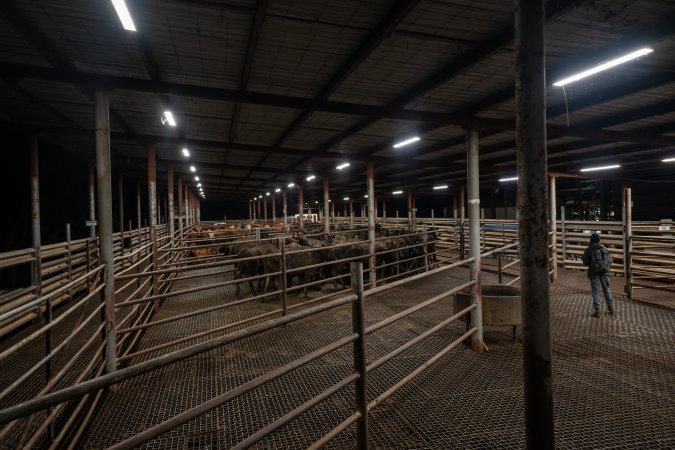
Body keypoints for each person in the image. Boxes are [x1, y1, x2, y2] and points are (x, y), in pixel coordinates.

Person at [582, 233, 614, 318]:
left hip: (594, 273)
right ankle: (611, 309)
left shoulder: (589, 249)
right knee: (606, 289)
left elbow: (585, 262)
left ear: (591, 240)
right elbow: (610, 261)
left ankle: (597, 311)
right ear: (599, 240)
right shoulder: (605, 249)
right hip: (605, 273)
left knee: (596, 291)